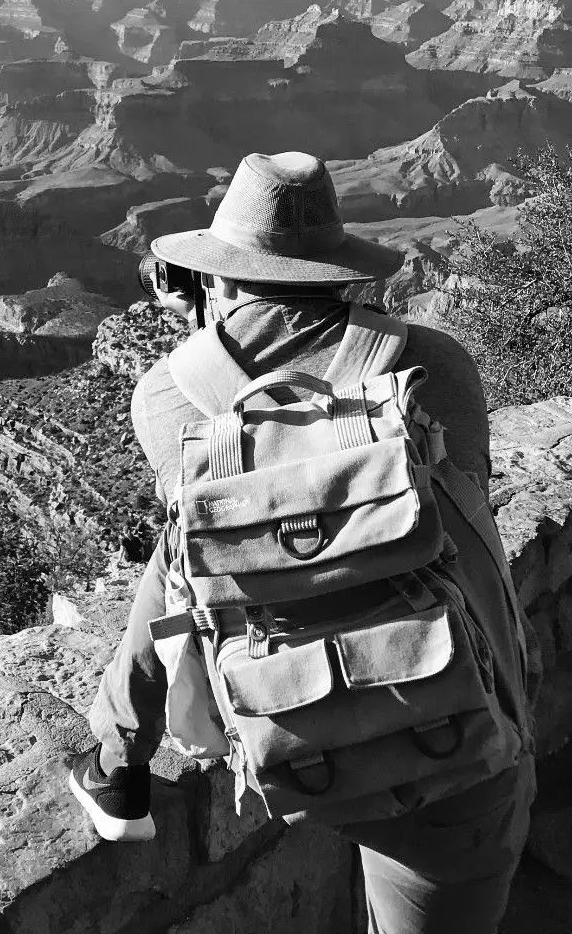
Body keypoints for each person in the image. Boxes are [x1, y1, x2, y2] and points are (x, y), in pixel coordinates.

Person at [68, 151, 535, 934]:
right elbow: (467, 514)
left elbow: (202, 550)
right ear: (340, 270)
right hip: (454, 743)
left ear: (216, 276)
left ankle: (118, 764)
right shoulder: (437, 365)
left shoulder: (168, 394)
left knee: (186, 538)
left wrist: (208, 343)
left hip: (286, 732)